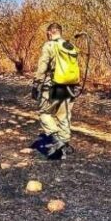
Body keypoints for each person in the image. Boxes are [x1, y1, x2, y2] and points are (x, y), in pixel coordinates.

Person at [32, 23, 78, 159]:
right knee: (63, 116)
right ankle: (64, 145)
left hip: (53, 85)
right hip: (69, 86)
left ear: (49, 32)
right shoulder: (69, 46)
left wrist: (36, 84)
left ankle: (56, 140)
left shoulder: (49, 45)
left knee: (44, 113)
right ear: (60, 32)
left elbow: (43, 65)